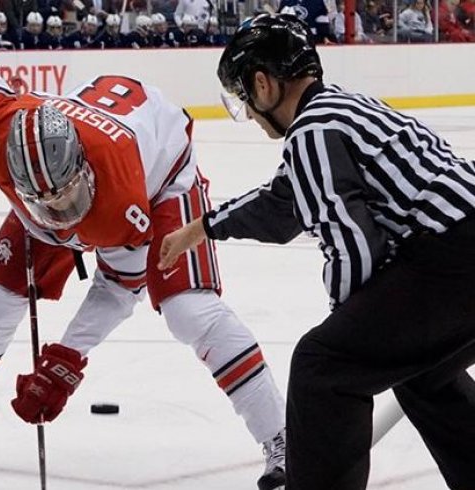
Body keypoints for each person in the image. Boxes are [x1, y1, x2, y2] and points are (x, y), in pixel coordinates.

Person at [0, 42, 289, 490]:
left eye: (66, 197)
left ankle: (282, 437)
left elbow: (121, 286)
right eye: (45, 202)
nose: (62, 214)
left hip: (161, 176)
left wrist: (67, 356)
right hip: (55, 173)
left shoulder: (121, 203)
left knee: (190, 311)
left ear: (81, 167)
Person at [158, 13, 475, 490]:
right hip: (460, 250)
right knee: (422, 373)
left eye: (244, 96)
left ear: (263, 85)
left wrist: (346, 328)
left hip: (454, 258)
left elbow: (355, 247)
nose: (247, 110)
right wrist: (201, 228)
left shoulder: (312, 131)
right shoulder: (340, 111)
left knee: (323, 367)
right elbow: (284, 203)